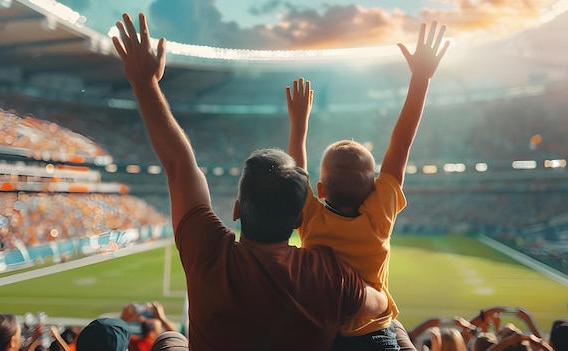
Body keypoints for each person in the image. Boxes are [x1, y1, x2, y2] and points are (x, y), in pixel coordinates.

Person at [111, 12, 388, 351]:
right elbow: (380, 304)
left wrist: (145, 83)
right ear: (300, 218)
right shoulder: (328, 272)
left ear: (238, 209)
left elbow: (179, 166)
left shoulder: (209, 253)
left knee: (169, 338)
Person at [286, 21, 449, 350]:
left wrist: (299, 123)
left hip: (322, 336)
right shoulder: (379, 216)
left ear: (320, 190)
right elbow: (401, 145)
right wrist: (420, 78)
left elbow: (295, 170)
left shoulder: (313, 221)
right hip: (375, 336)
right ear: (375, 187)